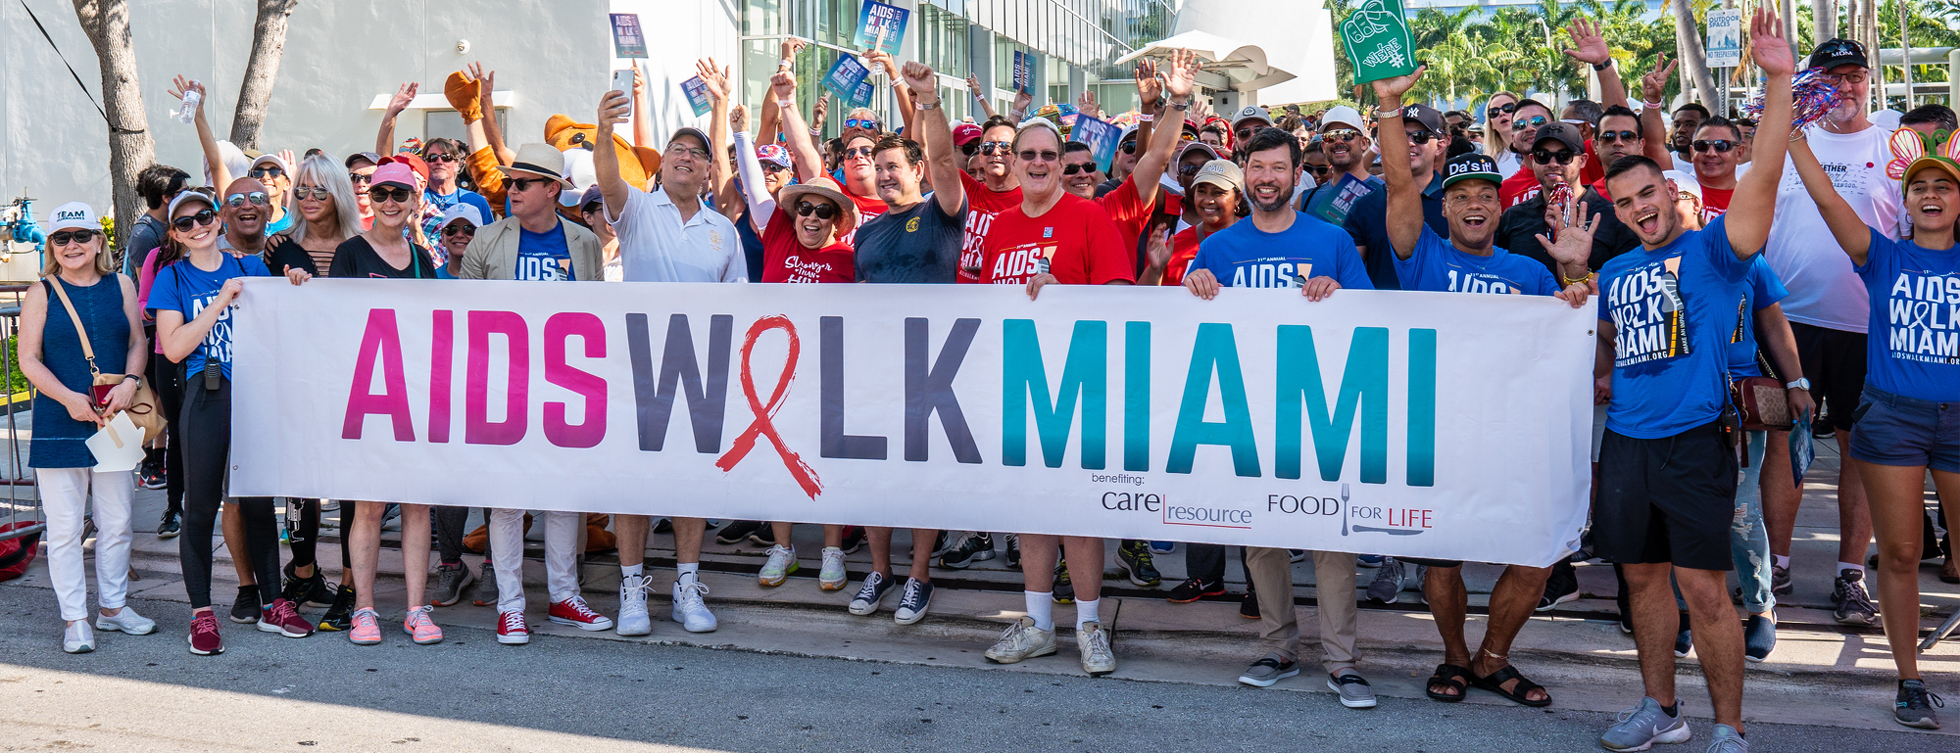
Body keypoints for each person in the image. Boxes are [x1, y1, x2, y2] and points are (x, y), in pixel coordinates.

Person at [1592, 11, 1792, 751]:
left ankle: (1729, 727)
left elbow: (1763, 177)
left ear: (1671, 192)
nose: (1639, 209)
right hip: (1626, 446)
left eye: (1649, 194)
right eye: (1625, 203)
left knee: (1706, 591)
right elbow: (1602, 340)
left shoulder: (1716, 252)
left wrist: (1777, 84)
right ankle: (1659, 708)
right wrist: (1579, 284)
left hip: (1695, 442)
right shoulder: (1614, 269)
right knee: (1642, 584)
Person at [1375, 67, 1594, 708]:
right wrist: (1390, 109)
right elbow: (1395, 186)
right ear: (1443, 207)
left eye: (1486, 196)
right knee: (1443, 562)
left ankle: (1493, 659)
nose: (1475, 204)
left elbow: (1570, 341)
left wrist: (1578, 280)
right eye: (1461, 195)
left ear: (1501, 207)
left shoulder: (1529, 272)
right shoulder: (1421, 256)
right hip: (1438, 433)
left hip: (1512, 436)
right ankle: (1453, 656)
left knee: (1534, 554)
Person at [1173, 126, 1377, 708]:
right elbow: (1192, 330)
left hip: (1320, 409)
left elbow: (1367, 321)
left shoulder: (1332, 240)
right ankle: (1278, 647)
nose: (1267, 178)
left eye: (1278, 169)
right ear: (1245, 172)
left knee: (1331, 536)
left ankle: (1343, 662)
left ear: (1296, 174)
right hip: (1248, 412)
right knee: (1261, 535)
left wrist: (1337, 290)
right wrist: (1195, 285)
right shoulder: (1217, 248)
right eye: (1257, 168)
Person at [1788, 121, 1959, 731]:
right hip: (1892, 421)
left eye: (1945, 185)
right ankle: (1910, 681)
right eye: (1920, 187)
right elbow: (1830, 201)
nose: (1931, 194)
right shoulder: (1881, 255)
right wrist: (1795, 142)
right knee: (1904, 553)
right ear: (1904, 200)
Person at [977, 115, 1138, 677]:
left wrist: (1066, 295)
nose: (1041, 164)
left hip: (1079, 384)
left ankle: (1089, 624)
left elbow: (1120, 296)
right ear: (1013, 162)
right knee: (1032, 509)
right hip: (1016, 386)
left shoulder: (1089, 216)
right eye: (1030, 155)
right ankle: (1039, 623)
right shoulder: (998, 226)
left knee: (1078, 509)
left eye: (1050, 155)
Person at [596, 59, 747, 638]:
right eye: (676, 151)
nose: (686, 157)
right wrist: (604, 131)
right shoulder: (637, 210)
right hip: (638, 369)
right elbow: (609, 180)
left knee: (689, 483)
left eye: (697, 152)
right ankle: (632, 589)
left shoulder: (724, 231)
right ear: (663, 164)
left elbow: (737, 308)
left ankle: (686, 583)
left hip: (700, 375)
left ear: (710, 169)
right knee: (634, 484)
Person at [1759, 39, 1903, 626]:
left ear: (1870, 80)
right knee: (1781, 444)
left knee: (1858, 452)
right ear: (1813, 83)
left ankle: (1850, 576)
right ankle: (1776, 564)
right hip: (1787, 323)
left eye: (1856, 76)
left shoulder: (1894, 146)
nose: (1846, 88)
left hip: (1868, 328)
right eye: (1832, 77)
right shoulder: (1788, 139)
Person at [280, 163, 443, 646]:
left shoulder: (421, 259)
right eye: (382, 193)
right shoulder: (352, 252)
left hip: (412, 392)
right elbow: (332, 321)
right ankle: (364, 609)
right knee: (368, 504)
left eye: (400, 194)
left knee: (417, 504)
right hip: (366, 395)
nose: (391, 202)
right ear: (370, 199)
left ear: (414, 201)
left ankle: (416, 607)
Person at [150, 189, 313, 655]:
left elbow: (283, 320)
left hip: (256, 392)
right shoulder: (172, 277)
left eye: (204, 216)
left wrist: (296, 281)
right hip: (208, 392)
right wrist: (219, 301)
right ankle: (202, 614)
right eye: (185, 223)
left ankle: (272, 603)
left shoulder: (250, 268)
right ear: (175, 235)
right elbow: (176, 347)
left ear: (219, 219)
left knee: (260, 504)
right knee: (200, 506)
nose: (197, 226)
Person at [457, 143, 608, 643]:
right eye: (509, 182)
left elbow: (597, 316)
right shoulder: (485, 238)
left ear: (551, 189)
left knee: (565, 494)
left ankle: (565, 596)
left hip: (566, 383)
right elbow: (464, 315)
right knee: (508, 498)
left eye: (521, 183)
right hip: (503, 383)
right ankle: (511, 604)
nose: (510, 190)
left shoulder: (584, 242)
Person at [21, 202, 155, 653]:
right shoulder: (42, 291)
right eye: (62, 238)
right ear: (52, 247)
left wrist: (131, 382)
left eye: (82, 235)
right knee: (63, 528)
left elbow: (138, 339)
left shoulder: (120, 284)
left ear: (100, 241)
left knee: (117, 521)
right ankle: (75, 618)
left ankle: (113, 608)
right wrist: (68, 398)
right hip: (61, 420)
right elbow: (28, 360)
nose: (72, 245)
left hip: (116, 419)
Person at [261, 154, 365, 624]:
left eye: (320, 190)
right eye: (300, 189)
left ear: (338, 193)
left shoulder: (362, 247)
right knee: (300, 482)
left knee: (348, 485)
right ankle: (303, 573)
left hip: (352, 378)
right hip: (297, 376)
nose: (308, 198)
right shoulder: (278, 245)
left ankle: (349, 581)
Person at [1495, 121, 1640, 275]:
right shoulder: (1512, 217)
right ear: (1532, 159)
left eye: (1564, 156)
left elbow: (1624, 277)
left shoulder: (1614, 217)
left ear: (1583, 160)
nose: (1553, 163)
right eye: (1542, 156)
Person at [128, 164, 188, 517]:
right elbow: (144, 298)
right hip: (158, 341)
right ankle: (152, 463)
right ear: (168, 198)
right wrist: (168, 312)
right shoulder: (146, 238)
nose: (195, 225)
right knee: (155, 404)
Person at [1344, 103, 1451, 291]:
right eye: (1401, 136)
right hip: (1384, 317)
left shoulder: (1457, 202)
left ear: (1440, 145)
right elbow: (1348, 272)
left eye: (1420, 137)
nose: (1409, 143)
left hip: (1444, 314)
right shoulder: (1364, 206)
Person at [1146, 160, 1242, 288]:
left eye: (1218, 192)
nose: (1208, 200)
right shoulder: (1175, 245)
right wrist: (1155, 269)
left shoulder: (1257, 238)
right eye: (1201, 191)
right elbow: (1144, 300)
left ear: (1237, 198)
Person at [413, 137, 495, 260]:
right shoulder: (416, 200)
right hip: (424, 271)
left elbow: (490, 244)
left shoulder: (476, 201)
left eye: (446, 157)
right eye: (432, 158)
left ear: (457, 165)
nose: (439, 162)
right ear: (425, 164)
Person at [1497, 99, 1557, 208]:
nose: (1529, 128)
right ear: (1513, 139)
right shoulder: (1505, 190)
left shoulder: (1576, 171)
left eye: (1538, 121)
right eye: (1520, 125)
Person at [435, 203, 486, 280]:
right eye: (452, 229)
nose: (459, 235)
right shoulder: (431, 278)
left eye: (469, 229)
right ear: (442, 237)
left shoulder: (494, 278)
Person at [1483, 92, 1524, 174]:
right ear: (1492, 125)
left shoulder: (1542, 151)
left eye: (1508, 108)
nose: (1501, 113)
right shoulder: (1489, 163)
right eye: (1494, 112)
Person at [1668, 103, 1711, 172]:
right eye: (1677, 125)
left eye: (1689, 125)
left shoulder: (1717, 165)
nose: (1681, 130)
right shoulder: (1664, 164)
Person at [345, 152, 380, 229]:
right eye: (354, 177)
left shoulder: (391, 219)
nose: (361, 184)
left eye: (369, 178)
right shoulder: (337, 219)